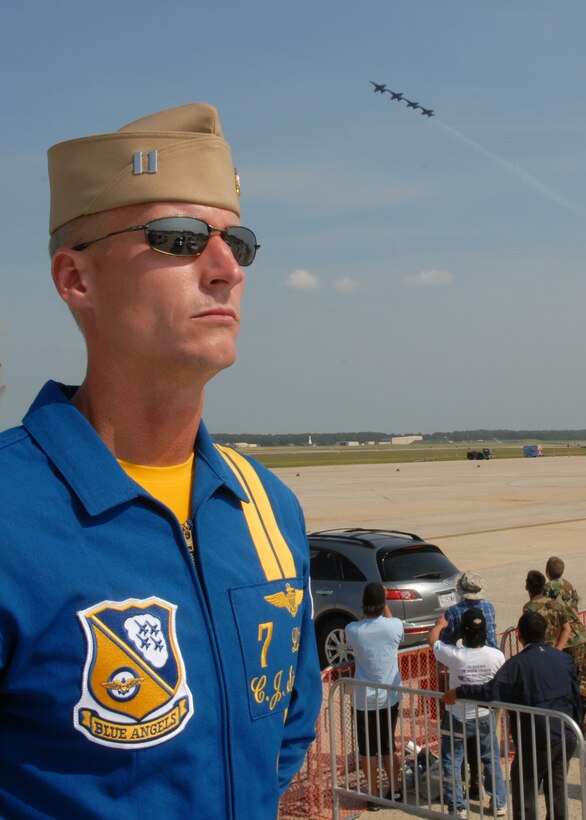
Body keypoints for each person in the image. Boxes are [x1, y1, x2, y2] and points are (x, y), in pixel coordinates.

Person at [0, 103, 322, 819]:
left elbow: (286, 727)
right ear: (75, 279)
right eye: (177, 239)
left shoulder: (265, 505)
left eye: (238, 241)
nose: (225, 268)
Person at [443, 612, 582, 820]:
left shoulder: (518, 664)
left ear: (519, 635)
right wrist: (576, 726)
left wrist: (460, 692)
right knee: (557, 787)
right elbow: (576, 695)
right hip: (566, 733)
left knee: (525, 789)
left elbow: (490, 693)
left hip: (537, 739)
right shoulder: (562, 658)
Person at [429, 610, 507, 818]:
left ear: (463, 633)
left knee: (452, 760)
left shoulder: (456, 655)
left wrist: (439, 625)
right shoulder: (496, 656)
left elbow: (433, 641)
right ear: (485, 632)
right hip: (484, 714)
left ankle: (458, 806)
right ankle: (499, 801)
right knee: (491, 757)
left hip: (457, 715)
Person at [345, 583, 404, 812]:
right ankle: (396, 789)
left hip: (364, 699)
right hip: (390, 696)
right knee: (388, 745)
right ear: (383, 602)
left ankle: (372, 794)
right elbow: (391, 623)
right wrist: (384, 604)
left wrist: (372, 608)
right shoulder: (393, 626)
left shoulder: (354, 629)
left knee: (367, 750)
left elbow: (360, 624)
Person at [524, 569, 586, 720]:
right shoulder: (557, 604)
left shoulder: (529, 608)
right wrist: (558, 650)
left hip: (544, 656)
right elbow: (566, 628)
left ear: (528, 587)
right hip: (562, 650)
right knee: (577, 684)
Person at [440, 571, 499, 649]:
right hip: (492, 651)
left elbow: (445, 640)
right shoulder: (489, 606)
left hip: (465, 653)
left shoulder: (453, 611)